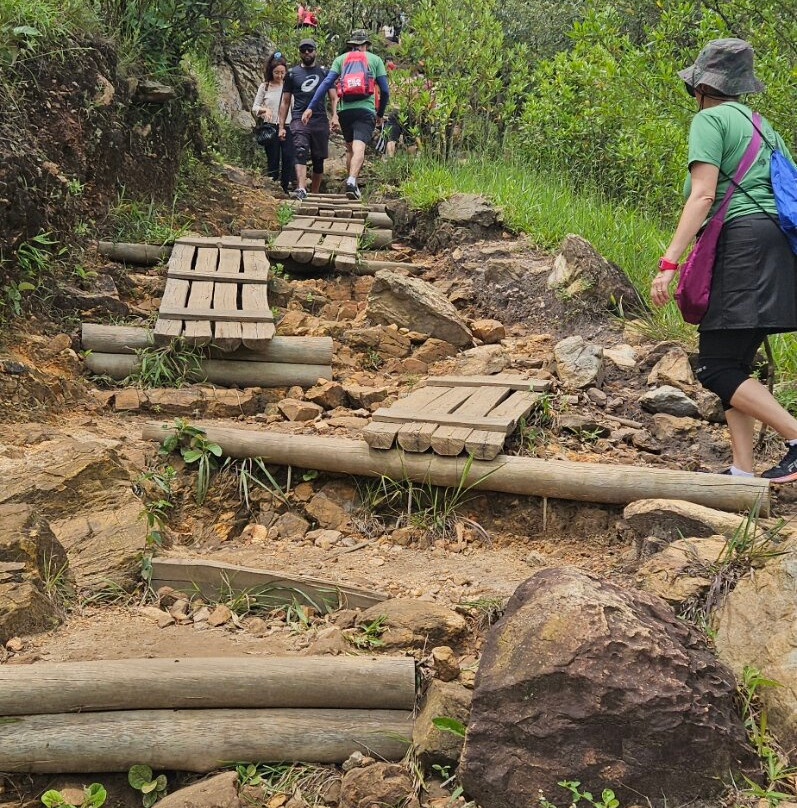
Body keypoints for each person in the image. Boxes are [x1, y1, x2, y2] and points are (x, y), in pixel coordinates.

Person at [651, 38, 797, 483]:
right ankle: (742, 472)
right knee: (734, 361)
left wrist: (669, 262)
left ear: (700, 87)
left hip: (743, 245)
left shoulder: (710, 119)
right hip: (774, 246)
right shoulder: (762, 126)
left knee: (715, 366)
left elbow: (703, 195)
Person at [302, 29, 389, 200]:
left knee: (350, 148)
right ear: (366, 45)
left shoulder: (340, 60)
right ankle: (351, 179)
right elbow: (385, 91)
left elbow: (326, 83)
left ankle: (352, 185)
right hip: (366, 109)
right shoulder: (375, 59)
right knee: (359, 146)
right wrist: (380, 113)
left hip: (345, 110)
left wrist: (310, 107)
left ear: (351, 45)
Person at [279, 38, 339, 200]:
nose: (306, 52)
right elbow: (285, 102)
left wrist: (334, 116)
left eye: (310, 49)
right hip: (299, 117)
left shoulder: (324, 73)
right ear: (299, 52)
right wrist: (282, 126)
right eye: (303, 50)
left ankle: (315, 193)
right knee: (300, 150)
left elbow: (334, 97)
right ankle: (301, 188)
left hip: (319, 119)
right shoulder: (291, 74)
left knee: (319, 159)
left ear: (315, 51)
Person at [252, 53, 295, 194]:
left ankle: (285, 186)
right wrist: (264, 110)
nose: (280, 76)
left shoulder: (289, 86)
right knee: (273, 157)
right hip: (270, 127)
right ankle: (272, 185)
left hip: (288, 125)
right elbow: (255, 107)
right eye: (276, 72)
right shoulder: (265, 87)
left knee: (288, 156)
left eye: (283, 73)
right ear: (271, 72)